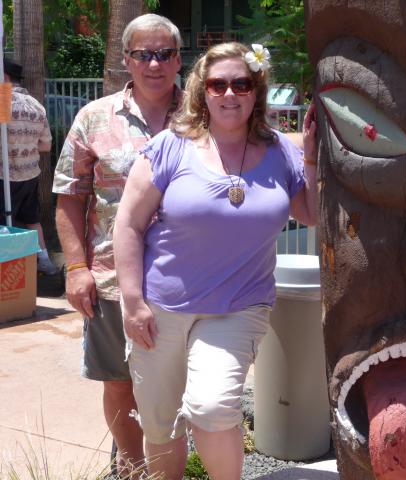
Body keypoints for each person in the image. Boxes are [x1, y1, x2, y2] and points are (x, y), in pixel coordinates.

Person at [113, 42, 318, 480]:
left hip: (239, 306)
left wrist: (314, 157)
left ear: (256, 91)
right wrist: (132, 302)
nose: (229, 94)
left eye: (241, 84)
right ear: (201, 91)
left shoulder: (281, 152)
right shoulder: (171, 147)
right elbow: (128, 224)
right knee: (160, 422)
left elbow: (312, 213)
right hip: (160, 307)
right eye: (217, 84)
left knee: (212, 407)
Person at [52, 13, 183, 474]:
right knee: (119, 382)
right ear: (126, 60)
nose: (154, 64)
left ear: (178, 59)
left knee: (179, 386)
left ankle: (168, 468)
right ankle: (130, 468)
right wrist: (76, 269)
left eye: (164, 53)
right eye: (143, 54)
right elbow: (70, 198)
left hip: (187, 279)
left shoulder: (202, 117)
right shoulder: (94, 118)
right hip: (110, 281)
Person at [0, 58, 56, 274]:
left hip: (5, 176)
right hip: (30, 174)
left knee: (4, 223)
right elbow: (46, 145)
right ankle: (45, 261)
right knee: (32, 220)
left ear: (4, 77)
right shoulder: (36, 105)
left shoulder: (3, 100)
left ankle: (8, 269)